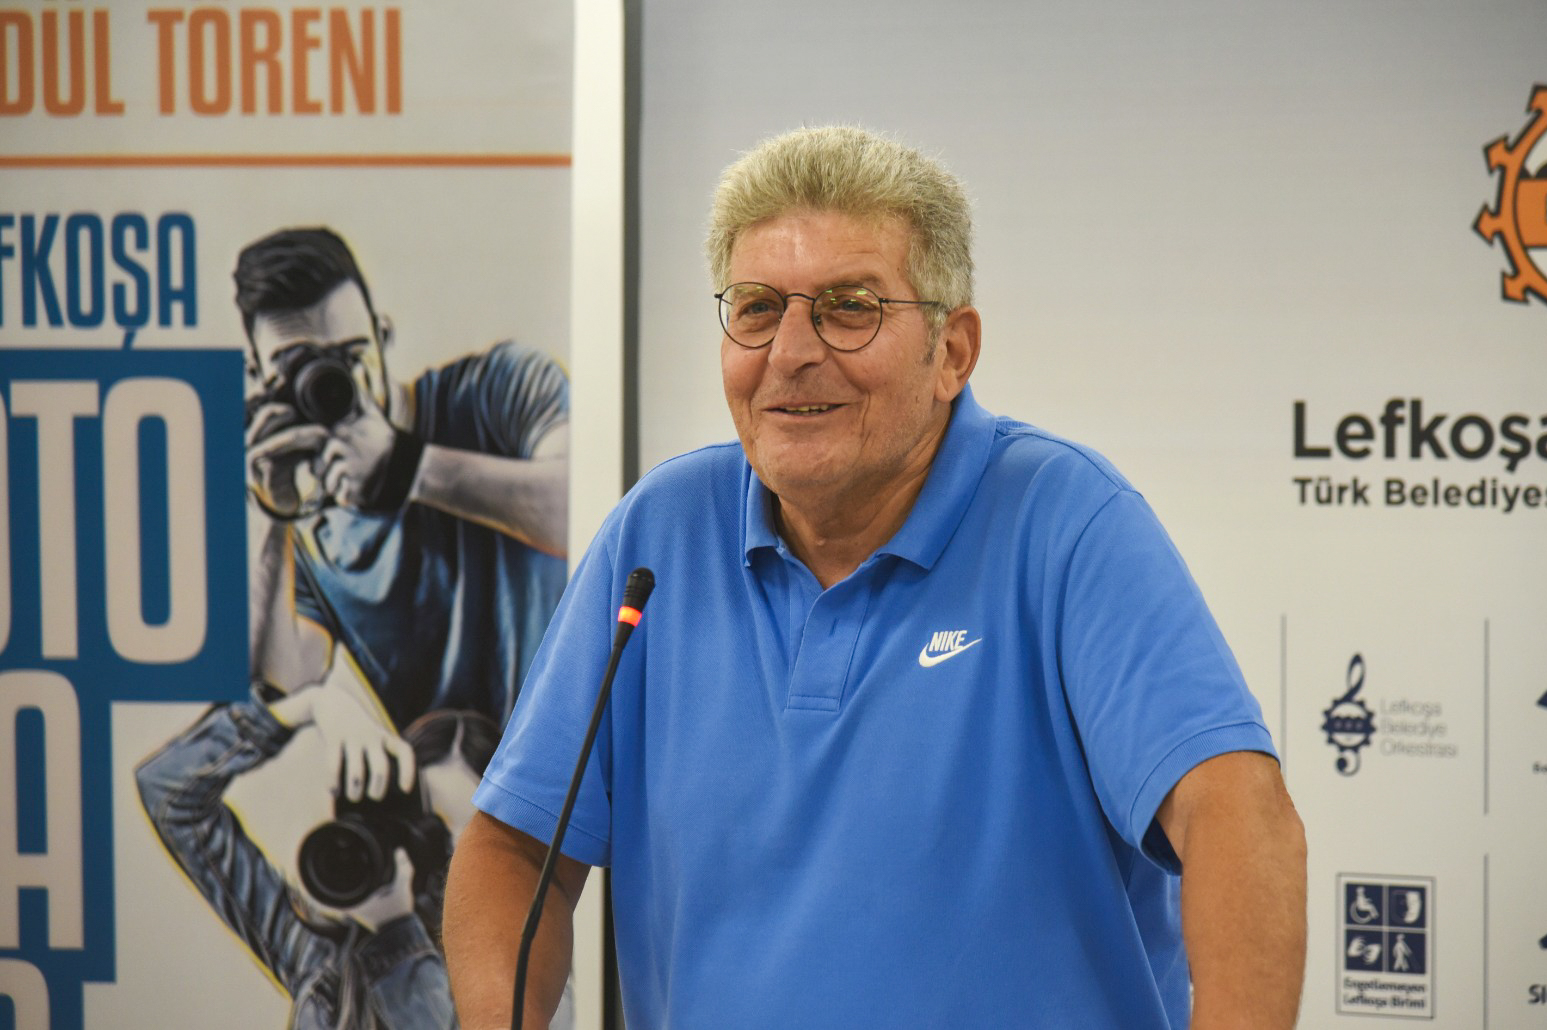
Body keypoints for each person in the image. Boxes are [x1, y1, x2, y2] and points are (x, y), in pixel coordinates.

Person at [443, 126, 1307, 1029]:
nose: (790, 352)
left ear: (952, 351)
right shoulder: (660, 532)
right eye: (757, 308)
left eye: (848, 307)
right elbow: (513, 851)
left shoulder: (1066, 520)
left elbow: (1238, 817)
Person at [238, 227, 569, 735]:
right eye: (297, 367)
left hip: (564, 762)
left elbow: (589, 508)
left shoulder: (497, 392)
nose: (331, 382)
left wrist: (407, 467)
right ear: (258, 374)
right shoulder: (304, 518)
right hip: (447, 783)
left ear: (382, 334)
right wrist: (272, 511)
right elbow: (287, 684)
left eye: (350, 355)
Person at [134, 684, 560, 1028]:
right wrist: (311, 705)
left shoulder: (531, 973)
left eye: (459, 845)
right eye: (423, 829)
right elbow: (169, 795)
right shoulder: (328, 958)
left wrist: (399, 937)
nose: (436, 864)